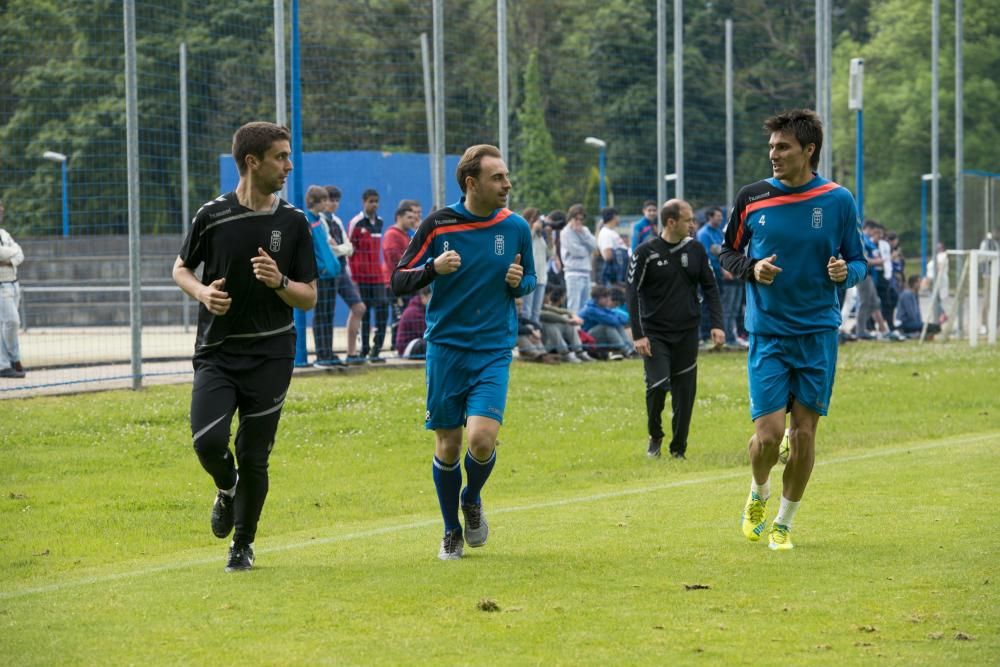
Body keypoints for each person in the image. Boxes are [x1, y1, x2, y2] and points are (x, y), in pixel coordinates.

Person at [171, 121, 318, 572]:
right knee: (208, 441)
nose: (289, 166)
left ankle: (243, 543)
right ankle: (226, 487)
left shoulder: (293, 222)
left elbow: (308, 295)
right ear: (252, 162)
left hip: (272, 355)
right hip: (218, 352)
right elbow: (180, 268)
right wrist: (201, 293)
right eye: (280, 157)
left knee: (256, 453)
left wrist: (280, 282)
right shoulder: (212, 215)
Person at [719, 109, 867, 551]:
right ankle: (758, 491)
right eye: (771, 147)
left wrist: (846, 273)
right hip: (768, 332)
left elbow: (859, 261)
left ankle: (783, 523)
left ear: (809, 150)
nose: (774, 155)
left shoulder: (838, 200)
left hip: (818, 331)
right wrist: (752, 267)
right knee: (768, 438)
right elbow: (727, 252)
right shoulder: (752, 197)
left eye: (783, 147)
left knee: (803, 435)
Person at [390, 144, 535, 560]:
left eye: (506, 176)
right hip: (446, 350)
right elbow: (398, 280)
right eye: (498, 178)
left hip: (492, 349)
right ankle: (451, 528)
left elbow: (530, 280)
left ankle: (471, 499)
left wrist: (518, 283)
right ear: (472, 183)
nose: (507, 184)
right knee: (449, 444)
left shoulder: (516, 227)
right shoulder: (439, 224)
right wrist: (433, 269)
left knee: (482, 440)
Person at [628, 199, 724, 460]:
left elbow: (710, 288)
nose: (693, 224)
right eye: (688, 219)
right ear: (671, 222)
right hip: (655, 334)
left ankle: (678, 449)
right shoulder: (645, 252)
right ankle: (655, 435)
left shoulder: (696, 249)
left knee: (685, 392)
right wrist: (638, 334)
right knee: (658, 386)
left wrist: (717, 324)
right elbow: (632, 294)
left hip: (687, 331)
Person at [321, 186, 366, 364]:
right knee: (326, 313)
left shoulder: (337, 221)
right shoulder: (320, 222)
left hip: (341, 270)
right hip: (328, 272)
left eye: (336, 200)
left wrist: (339, 249)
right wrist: (341, 249)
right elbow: (327, 247)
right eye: (330, 200)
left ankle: (351, 352)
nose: (334, 204)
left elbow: (349, 248)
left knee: (359, 307)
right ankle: (326, 353)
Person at [349, 189, 390, 362]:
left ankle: (376, 350)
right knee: (365, 315)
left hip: (378, 277)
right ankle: (363, 351)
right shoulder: (356, 223)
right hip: (361, 277)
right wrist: (353, 277)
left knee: (382, 311)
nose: (374, 204)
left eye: (376, 201)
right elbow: (349, 250)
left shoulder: (380, 222)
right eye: (371, 201)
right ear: (363, 202)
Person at [305, 185, 343, 367]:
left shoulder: (319, 221)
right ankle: (321, 355)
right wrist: (321, 267)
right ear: (317, 202)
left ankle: (328, 352)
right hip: (321, 276)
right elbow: (310, 250)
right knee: (320, 315)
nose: (327, 203)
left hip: (331, 274)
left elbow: (326, 245)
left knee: (329, 315)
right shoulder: (307, 221)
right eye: (324, 200)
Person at [383, 201, 420, 348]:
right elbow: (395, 260)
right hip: (395, 283)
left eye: (414, 217)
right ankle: (396, 345)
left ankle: (399, 344)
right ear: (399, 217)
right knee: (398, 317)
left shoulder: (406, 235)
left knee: (404, 314)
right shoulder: (392, 234)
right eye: (409, 217)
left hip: (407, 281)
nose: (413, 220)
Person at [0, 199, 26, 379]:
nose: (1, 209)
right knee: (12, 321)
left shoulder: (3, 233)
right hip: (1, 285)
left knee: (6, 324)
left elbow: (20, 254)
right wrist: (12, 253)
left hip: (13, 283)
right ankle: (13, 359)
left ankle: (6, 364)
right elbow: (9, 252)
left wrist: (8, 257)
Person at [560, 203, 597, 314]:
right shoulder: (565, 232)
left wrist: (582, 234)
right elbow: (576, 251)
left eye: (581, 219)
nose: (578, 222)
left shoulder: (584, 230)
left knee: (586, 306)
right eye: (576, 219)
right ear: (570, 217)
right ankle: (574, 330)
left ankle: (583, 330)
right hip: (573, 273)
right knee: (574, 306)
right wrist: (587, 250)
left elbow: (595, 245)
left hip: (586, 271)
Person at [696, 206, 726, 343]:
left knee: (715, 304)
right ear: (710, 217)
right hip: (709, 275)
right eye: (718, 216)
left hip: (720, 275)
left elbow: (723, 251)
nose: (720, 218)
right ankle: (704, 335)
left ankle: (713, 334)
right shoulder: (703, 234)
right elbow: (708, 255)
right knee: (706, 305)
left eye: (721, 215)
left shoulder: (719, 232)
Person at [579, 285, 633, 360]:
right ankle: (625, 350)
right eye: (606, 297)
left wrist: (616, 318)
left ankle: (630, 349)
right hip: (585, 339)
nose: (608, 299)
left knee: (617, 325)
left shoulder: (600, 307)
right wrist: (616, 318)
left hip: (595, 336)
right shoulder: (591, 310)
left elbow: (625, 319)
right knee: (607, 326)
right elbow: (613, 321)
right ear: (599, 298)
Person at [521, 207, 549, 324]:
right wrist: (533, 229)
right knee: (526, 309)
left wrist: (550, 236)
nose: (538, 222)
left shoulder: (540, 236)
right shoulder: (524, 231)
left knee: (536, 311)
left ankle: (535, 332)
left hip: (542, 277)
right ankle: (527, 332)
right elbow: (524, 244)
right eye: (535, 219)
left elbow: (550, 254)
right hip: (530, 275)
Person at [395, 287, 430, 358]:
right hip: (406, 348)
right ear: (423, 297)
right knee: (432, 344)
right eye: (430, 298)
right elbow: (425, 333)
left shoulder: (420, 308)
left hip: (414, 343)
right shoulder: (414, 311)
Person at [597, 206, 628, 286]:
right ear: (614, 216)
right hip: (613, 276)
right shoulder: (606, 233)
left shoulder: (612, 232)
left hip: (619, 274)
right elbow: (608, 255)